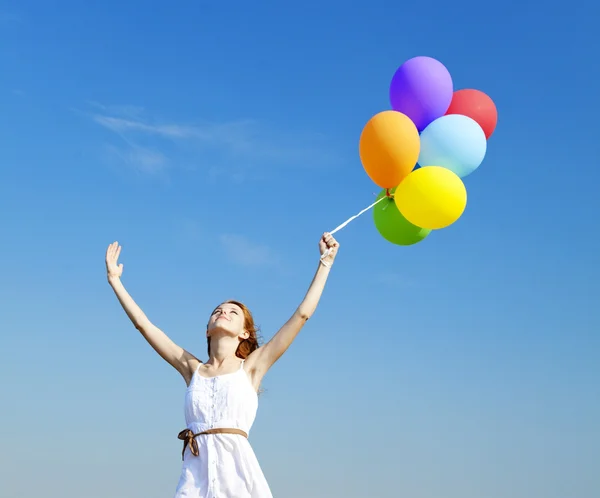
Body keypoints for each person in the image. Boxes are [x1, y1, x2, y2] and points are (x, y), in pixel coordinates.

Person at [105, 232, 340, 498]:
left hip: (239, 481)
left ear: (245, 333)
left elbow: (302, 314)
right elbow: (144, 326)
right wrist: (116, 282)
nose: (222, 312)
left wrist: (325, 263)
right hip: (194, 480)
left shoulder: (251, 368)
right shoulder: (192, 368)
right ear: (207, 330)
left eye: (233, 312)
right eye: (217, 310)